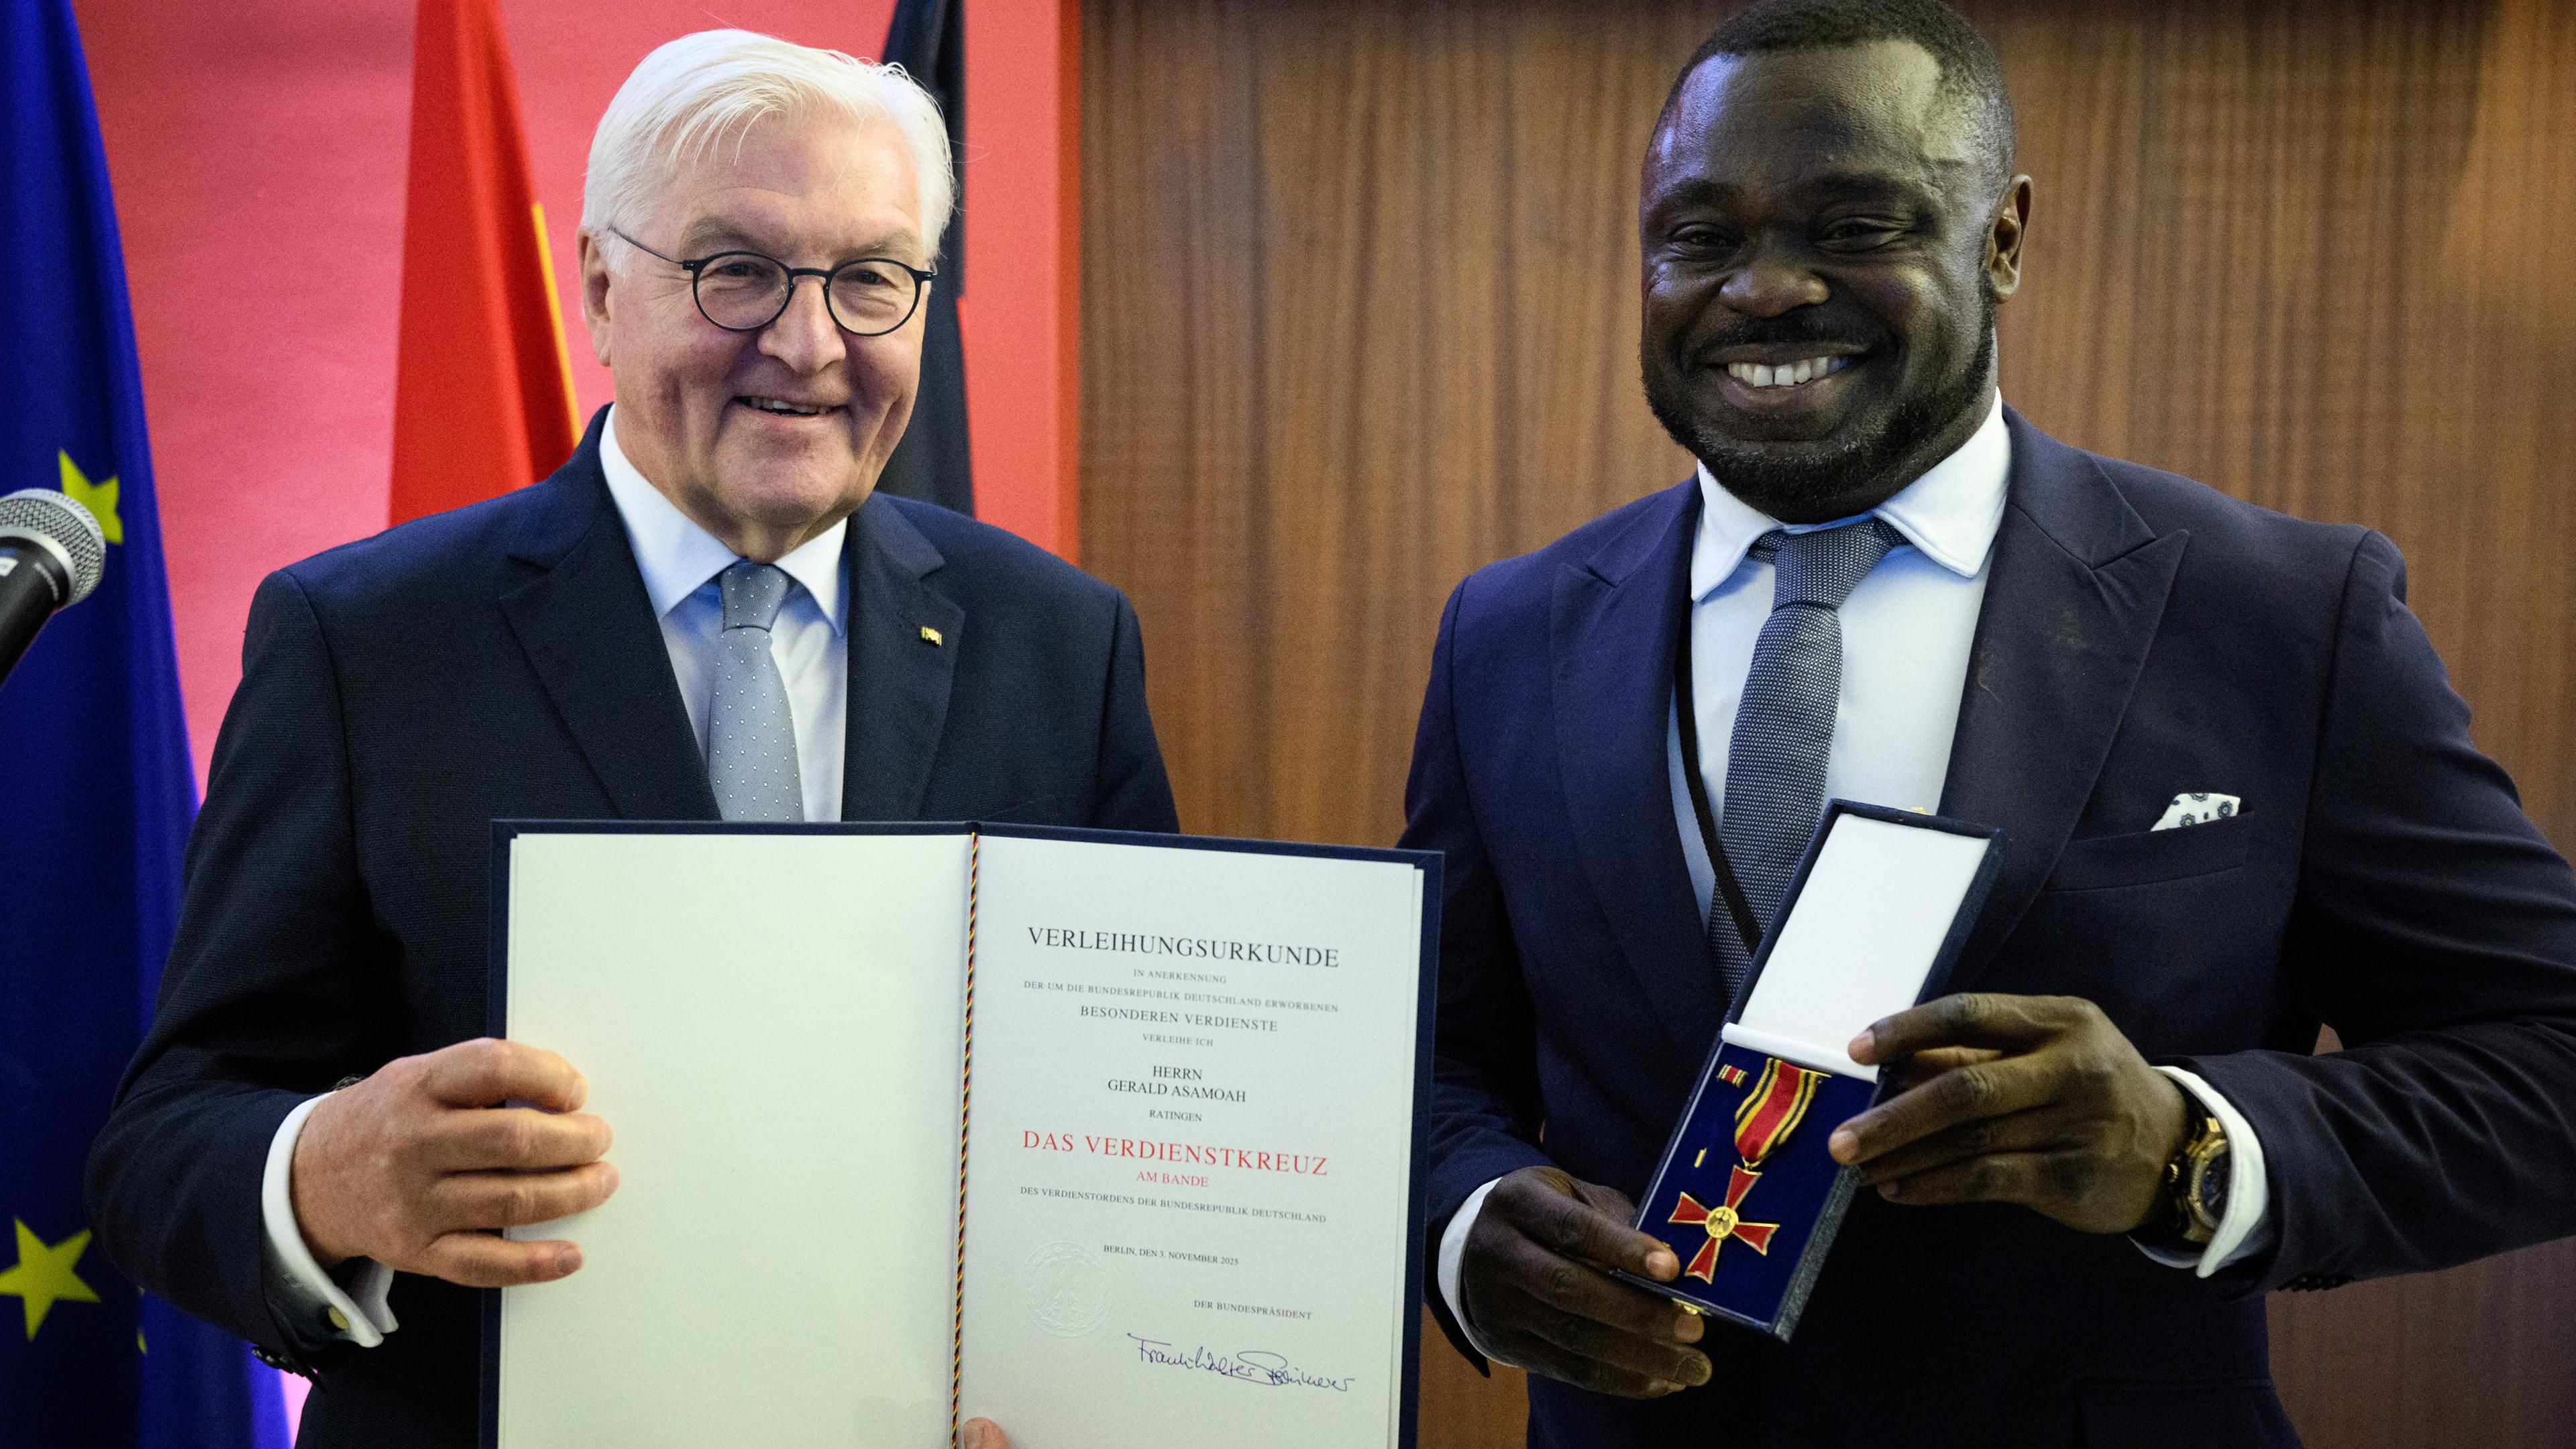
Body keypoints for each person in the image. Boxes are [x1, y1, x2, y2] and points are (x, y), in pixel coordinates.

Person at [1401, 1, 2576, 1444]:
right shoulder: (1509, 633)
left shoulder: (2281, 614)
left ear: (2003, 237)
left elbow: (2549, 1055)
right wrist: (1464, 1230)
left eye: (1854, 224)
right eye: (1700, 237)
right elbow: (1439, 1060)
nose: (1765, 291)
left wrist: (2190, 1148)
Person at [85, 31, 1171, 1448]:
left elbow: (1137, 1132)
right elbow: (163, 1145)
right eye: (738, 269)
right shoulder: (365, 639)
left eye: (870, 279)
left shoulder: (1063, 645)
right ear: (602, 284)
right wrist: (323, 1178)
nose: (807, 342)